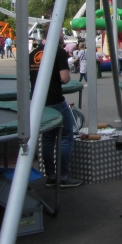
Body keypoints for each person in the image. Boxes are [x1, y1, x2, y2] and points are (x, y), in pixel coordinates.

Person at [28, 33, 82, 189]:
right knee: (66, 135)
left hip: (39, 101)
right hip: (54, 99)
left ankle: (50, 176)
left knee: (47, 138)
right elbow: (64, 78)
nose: (63, 36)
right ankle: (63, 176)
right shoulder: (58, 52)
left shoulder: (33, 53)